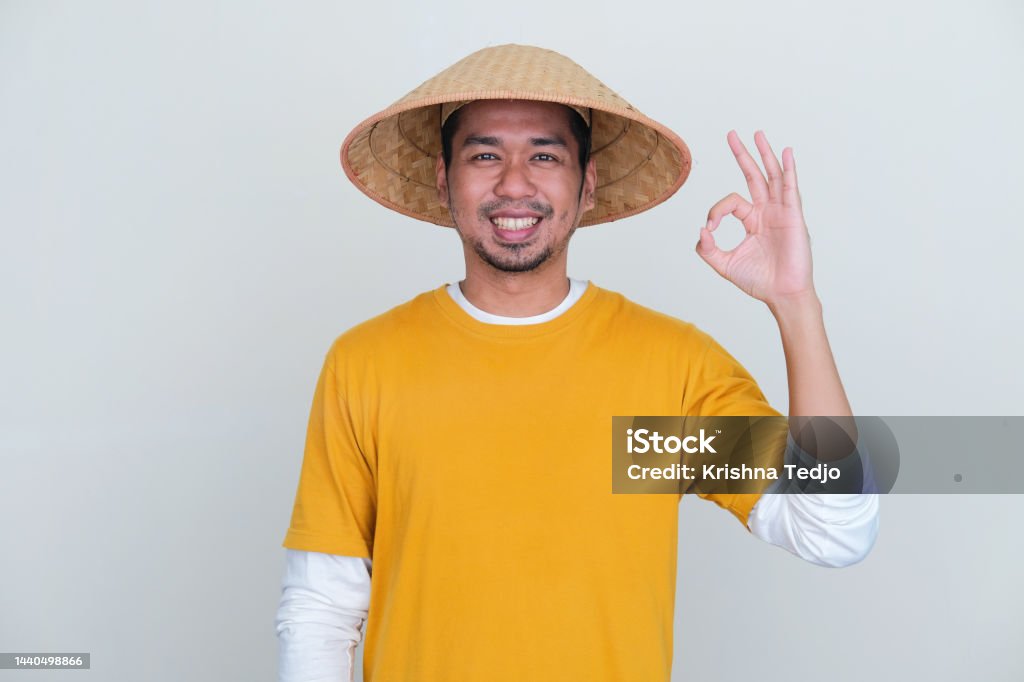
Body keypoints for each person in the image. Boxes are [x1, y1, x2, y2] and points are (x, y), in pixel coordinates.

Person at [274, 44, 879, 682]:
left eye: (545, 155)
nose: (514, 182)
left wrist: (796, 306)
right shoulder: (368, 362)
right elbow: (321, 609)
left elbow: (832, 529)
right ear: (441, 179)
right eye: (484, 155)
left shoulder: (666, 369)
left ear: (587, 184)